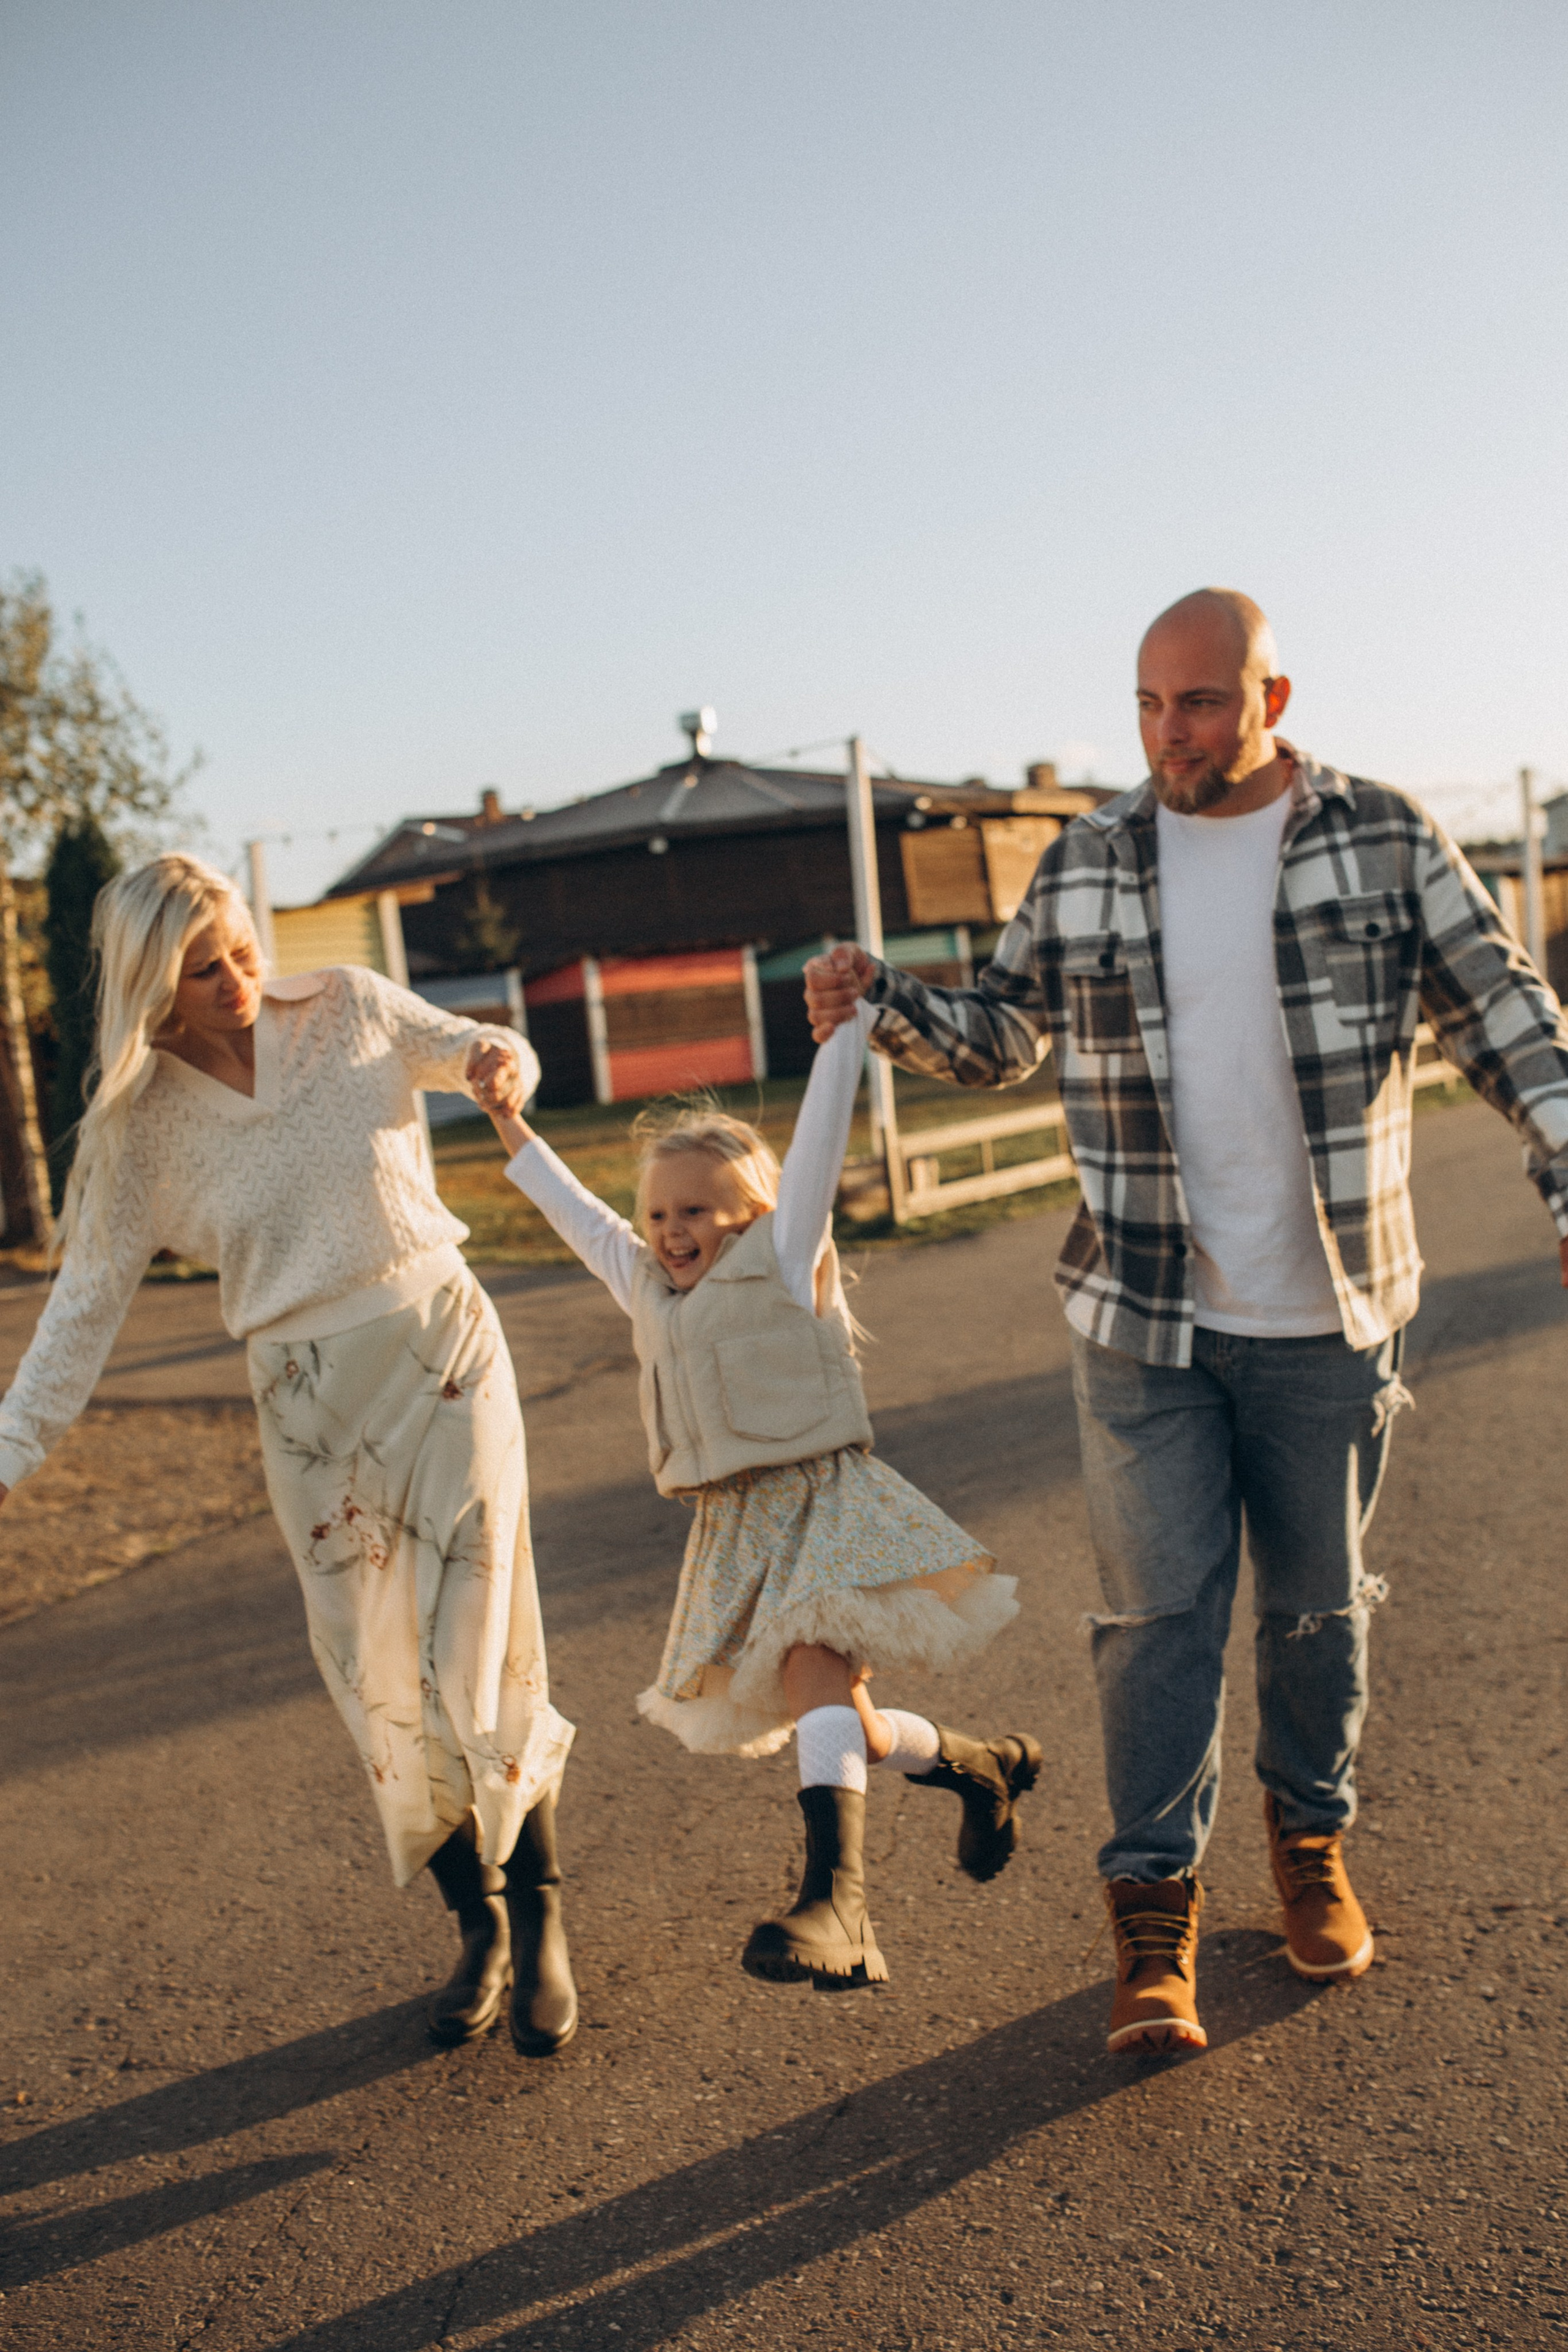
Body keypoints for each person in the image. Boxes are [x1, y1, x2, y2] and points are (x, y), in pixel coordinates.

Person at [805, 588, 1568, 2056]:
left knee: (1313, 1611)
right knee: (1153, 1624)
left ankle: (1307, 1842)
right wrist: (881, 996)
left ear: (1270, 701)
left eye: (1201, 703)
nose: (1171, 734)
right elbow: (1002, 1032)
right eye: (1150, 705)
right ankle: (1151, 1913)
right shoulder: (1087, 856)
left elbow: (1504, 1016)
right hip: (1140, 1316)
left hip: (1330, 1312)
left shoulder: (1381, 837)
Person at [0, 854, 579, 2057]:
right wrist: (11, 1449)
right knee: (380, 1675)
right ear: (151, 986)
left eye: (241, 947)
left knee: (477, 1643)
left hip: (442, 1349)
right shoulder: (142, 1127)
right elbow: (84, 1306)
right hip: (308, 1403)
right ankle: (477, 1922)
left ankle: (541, 1916)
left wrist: (499, 1061)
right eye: (202, 969)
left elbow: (477, 1045)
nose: (238, 979)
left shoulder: (350, 1006)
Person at [482, 1004, 1041, 1989]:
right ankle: (980, 1766)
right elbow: (580, 1216)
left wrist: (841, 1033)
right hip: (736, 1529)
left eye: (697, 1212)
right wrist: (506, 1121)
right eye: (661, 1215)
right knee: (846, 1718)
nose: (672, 1232)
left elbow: (816, 1152)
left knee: (816, 1666)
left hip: (821, 1503)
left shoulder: (784, 1260)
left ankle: (839, 1904)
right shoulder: (647, 1288)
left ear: (749, 1215)